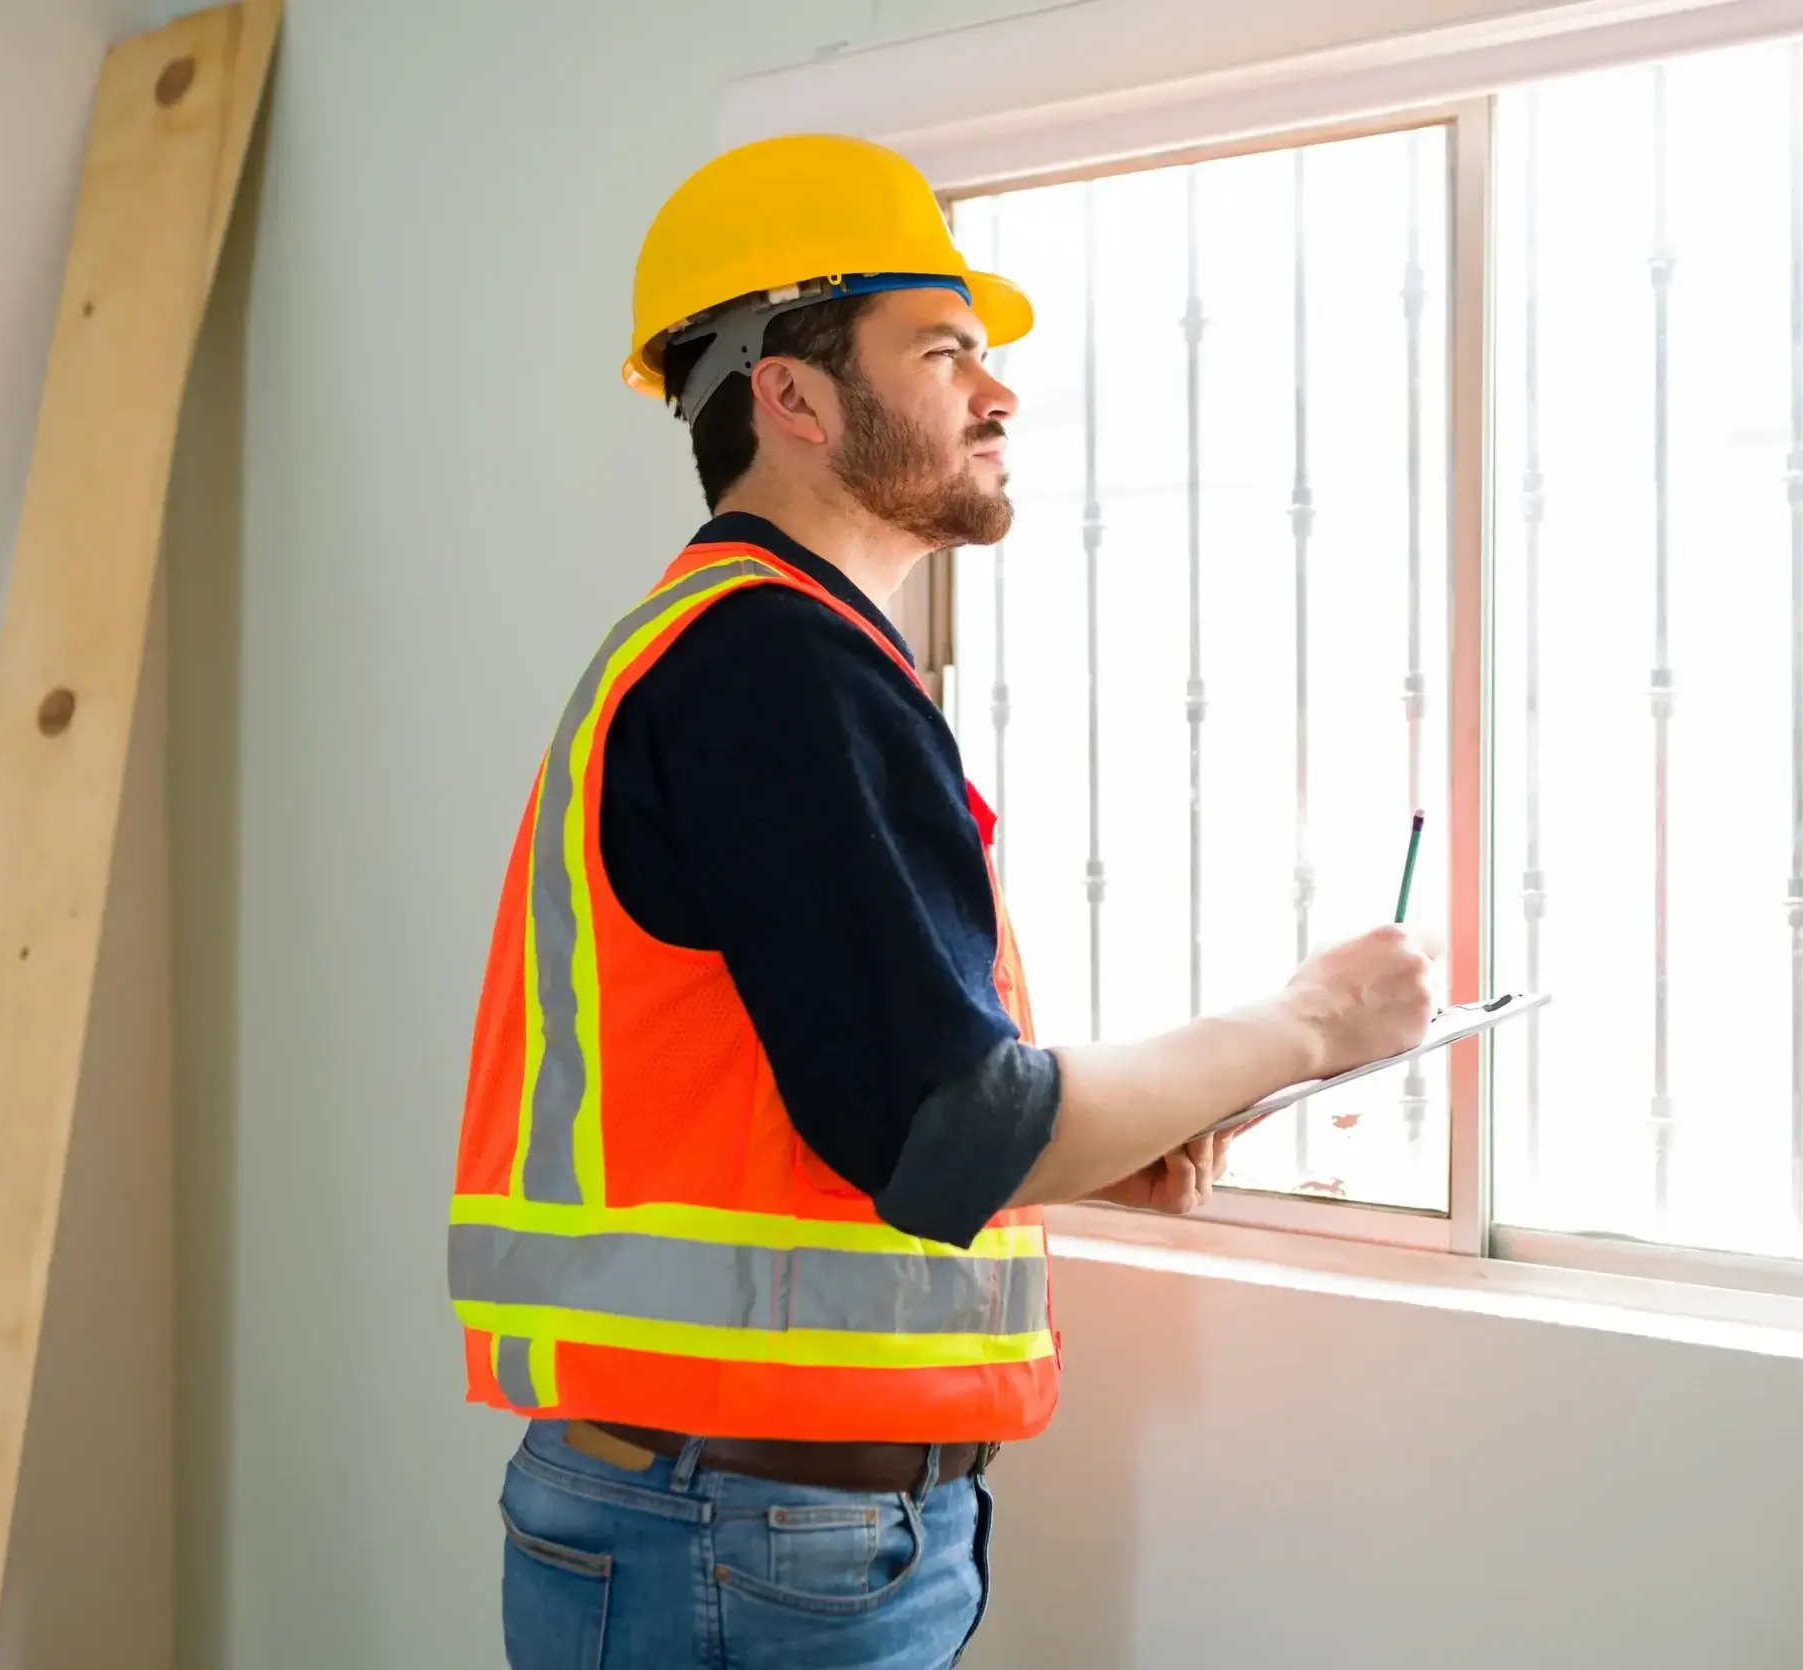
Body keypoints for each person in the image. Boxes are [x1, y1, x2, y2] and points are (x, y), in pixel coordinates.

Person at [447, 132, 1437, 1670]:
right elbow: (942, 1128)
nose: (999, 391)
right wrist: (1309, 1022)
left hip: (727, 1521)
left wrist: (1093, 1158)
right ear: (792, 394)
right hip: (740, 1537)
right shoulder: (773, 669)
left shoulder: (758, 656)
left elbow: (840, 1100)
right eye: (945, 348)